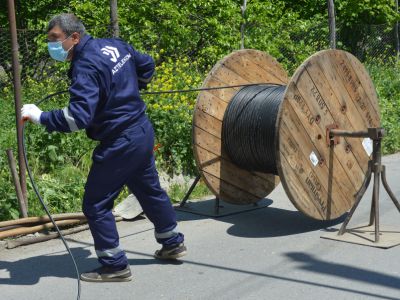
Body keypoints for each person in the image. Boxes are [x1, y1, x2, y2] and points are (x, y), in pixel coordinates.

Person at [21, 13, 186, 283]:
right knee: (147, 188)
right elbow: (147, 65)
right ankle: (172, 242)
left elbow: (77, 118)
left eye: (55, 39)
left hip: (120, 141)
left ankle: (114, 265)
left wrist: (41, 117)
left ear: (74, 37)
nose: (51, 45)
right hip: (141, 130)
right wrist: (131, 90)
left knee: (96, 204)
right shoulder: (114, 45)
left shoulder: (85, 65)